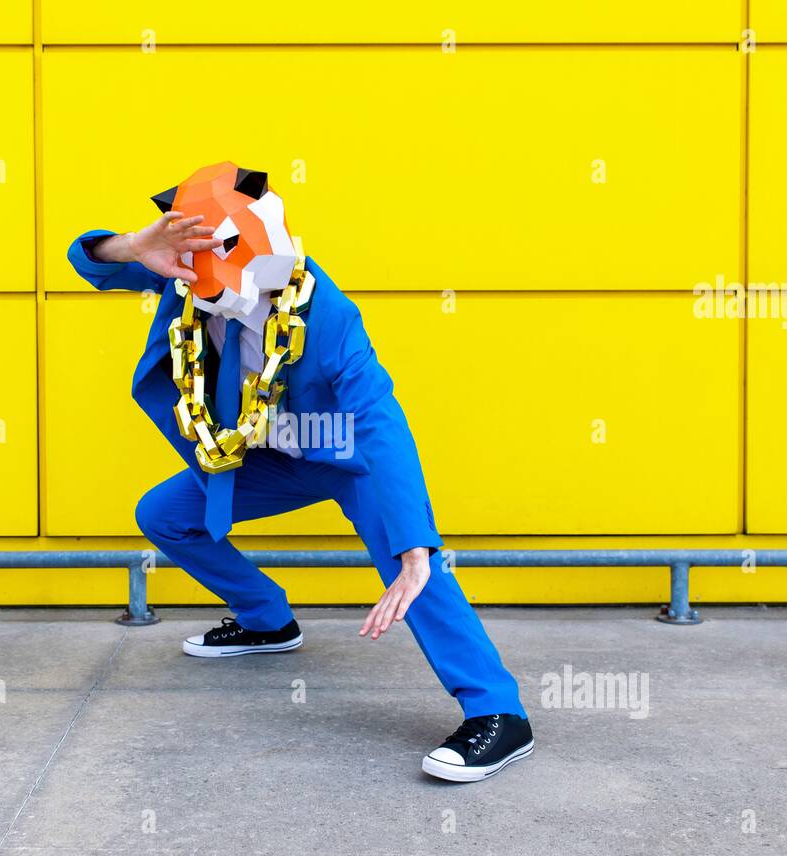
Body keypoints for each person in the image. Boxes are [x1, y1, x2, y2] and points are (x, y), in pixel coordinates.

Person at [67, 161, 532, 782]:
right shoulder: (183, 272)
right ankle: (267, 620)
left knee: (411, 562)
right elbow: (88, 262)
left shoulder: (327, 313)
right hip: (267, 455)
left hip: (345, 457)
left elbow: (379, 417)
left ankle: (499, 713)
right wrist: (133, 245)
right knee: (164, 515)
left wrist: (417, 543)